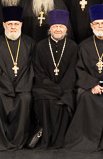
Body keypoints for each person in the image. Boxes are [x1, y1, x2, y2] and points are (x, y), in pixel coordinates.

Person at [66, 4, 103, 151]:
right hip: (90, 86)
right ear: (91, 25)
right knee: (87, 97)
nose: (100, 26)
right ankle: (88, 138)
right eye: (97, 23)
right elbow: (79, 69)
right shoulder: (84, 46)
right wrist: (93, 84)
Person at [0, 7, 35, 151]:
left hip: (22, 87)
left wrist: (19, 87)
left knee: (25, 98)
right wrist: (9, 88)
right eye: (10, 24)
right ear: (4, 25)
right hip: (1, 87)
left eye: (16, 24)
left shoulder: (30, 44)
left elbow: (29, 69)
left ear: (21, 25)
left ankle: (18, 140)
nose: (13, 27)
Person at [29, 10, 77, 149]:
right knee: (44, 98)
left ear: (66, 29)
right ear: (50, 28)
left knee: (64, 100)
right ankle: (45, 137)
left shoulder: (73, 47)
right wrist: (54, 88)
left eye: (61, 26)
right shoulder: (40, 46)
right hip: (45, 88)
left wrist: (61, 88)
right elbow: (38, 72)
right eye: (55, 26)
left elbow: (72, 72)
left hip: (66, 88)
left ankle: (59, 140)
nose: (58, 29)